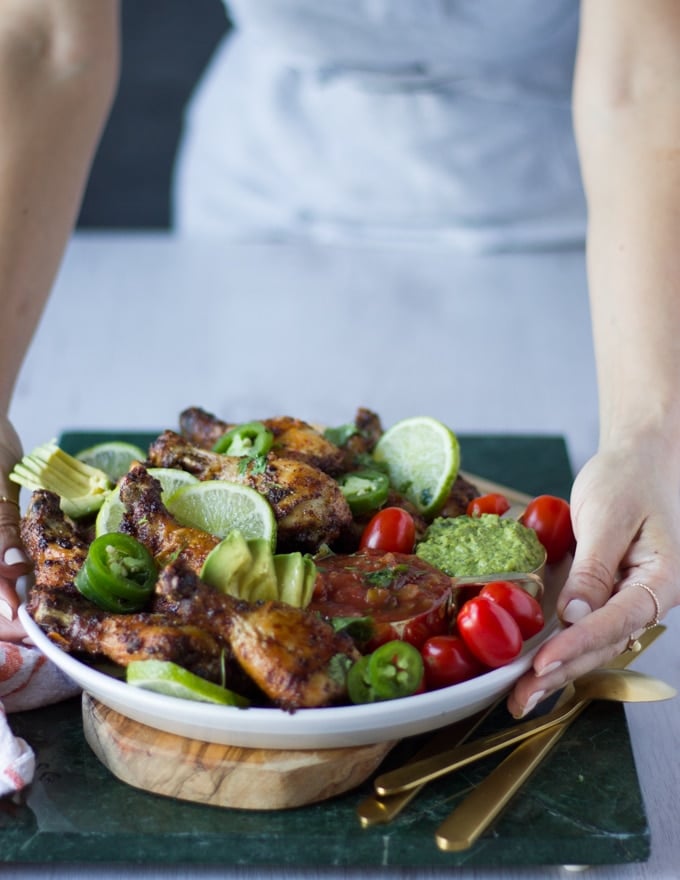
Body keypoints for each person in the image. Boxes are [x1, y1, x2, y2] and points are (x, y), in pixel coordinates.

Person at [0, 0, 679, 725]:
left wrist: (649, 433)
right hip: (260, 212)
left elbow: (644, 68)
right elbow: (39, 35)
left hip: (570, 238)